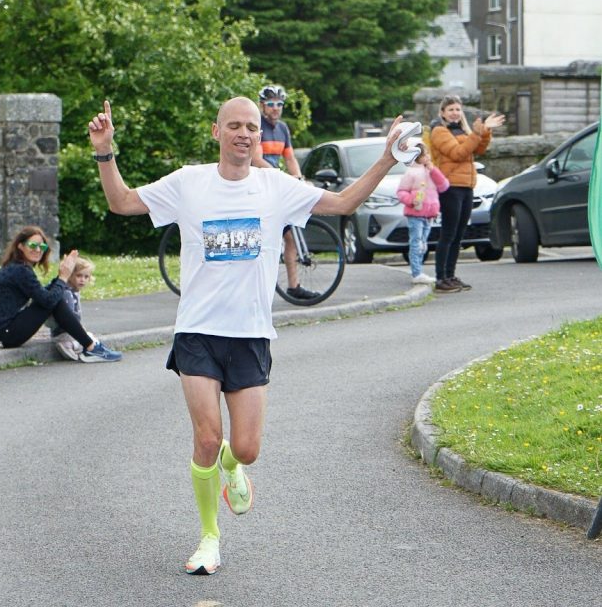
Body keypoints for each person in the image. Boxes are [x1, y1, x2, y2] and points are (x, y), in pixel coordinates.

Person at [88, 96, 403, 576]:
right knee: (207, 439)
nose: (243, 133)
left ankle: (235, 466)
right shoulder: (188, 183)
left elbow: (342, 203)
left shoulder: (276, 187)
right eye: (233, 126)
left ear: (260, 136)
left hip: (251, 334)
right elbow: (122, 202)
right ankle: (209, 537)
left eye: (251, 127)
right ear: (216, 132)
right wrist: (105, 152)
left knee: (247, 447)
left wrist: (385, 158)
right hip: (197, 332)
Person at [0, 225, 122, 362]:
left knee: (53, 297)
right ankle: (90, 347)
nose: (38, 250)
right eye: (33, 246)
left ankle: (85, 344)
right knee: (55, 300)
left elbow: (43, 294)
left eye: (42, 247)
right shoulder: (20, 271)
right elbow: (48, 301)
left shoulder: (17, 267)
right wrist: (63, 277)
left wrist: (61, 276)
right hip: (2, 335)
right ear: (20, 246)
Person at [430, 95, 505, 293]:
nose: (455, 113)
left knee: (458, 234)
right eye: (451, 110)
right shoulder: (439, 131)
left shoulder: (462, 130)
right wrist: (476, 134)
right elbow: (458, 153)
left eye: (457, 109)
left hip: (466, 185)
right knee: (448, 232)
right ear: (443, 113)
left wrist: (485, 131)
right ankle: (441, 278)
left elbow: (478, 149)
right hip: (451, 186)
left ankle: (451, 275)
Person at [250, 83, 316, 300]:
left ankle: (294, 286)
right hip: (257, 186)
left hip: (275, 187)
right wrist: (283, 178)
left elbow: (289, 158)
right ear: (262, 106)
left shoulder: (283, 128)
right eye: (270, 104)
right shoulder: (256, 125)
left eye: (279, 104)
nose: (275, 108)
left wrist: (297, 178)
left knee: (290, 236)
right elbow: (257, 159)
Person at [396, 148, 448, 285]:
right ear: (417, 157)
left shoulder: (431, 171)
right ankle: (416, 272)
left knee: (423, 244)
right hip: (415, 213)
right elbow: (401, 192)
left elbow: (444, 186)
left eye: (428, 154)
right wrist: (412, 200)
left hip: (429, 214)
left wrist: (433, 170)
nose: (428, 157)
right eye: (425, 155)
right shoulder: (411, 172)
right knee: (416, 243)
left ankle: (419, 271)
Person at [47, 254, 97, 362]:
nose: (82, 280)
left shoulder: (74, 292)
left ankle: (71, 346)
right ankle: (71, 345)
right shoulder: (67, 293)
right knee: (91, 339)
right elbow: (69, 316)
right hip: (64, 333)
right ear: (70, 275)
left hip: (65, 333)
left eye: (86, 277)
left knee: (90, 336)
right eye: (79, 276)